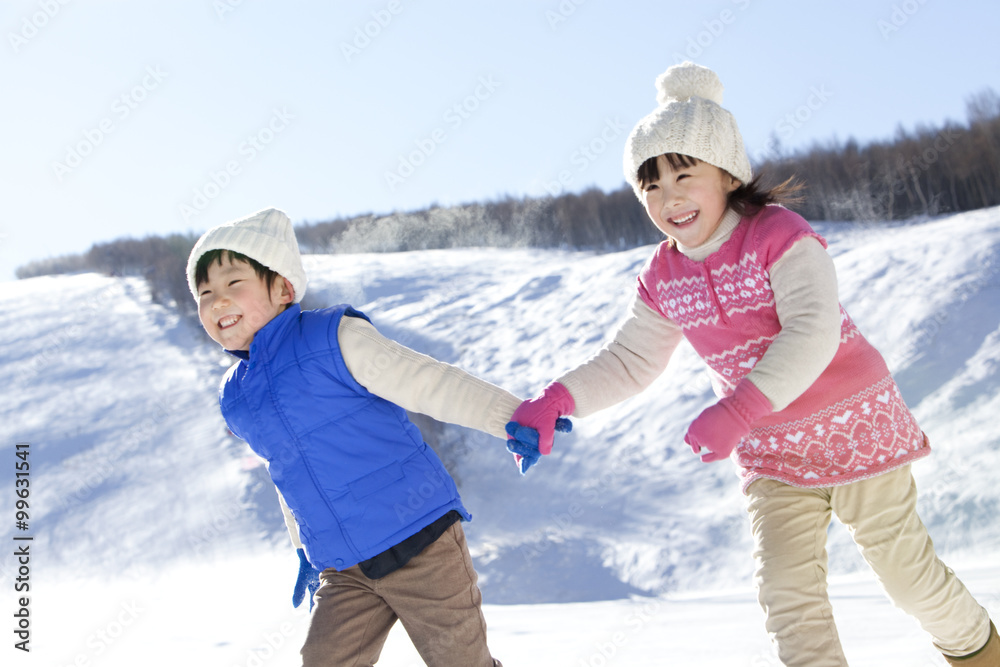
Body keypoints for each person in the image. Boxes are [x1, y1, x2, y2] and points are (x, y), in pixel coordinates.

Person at [507, 62, 998, 666]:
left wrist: (739, 408)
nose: (670, 198)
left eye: (685, 175)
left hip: (854, 427)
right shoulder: (664, 276)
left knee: (907, 576)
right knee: (787, 596)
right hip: (772, 456)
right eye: (651, 187)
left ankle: (979, 652)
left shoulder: (778, 235)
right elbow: (631, 358)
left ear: (726, 172)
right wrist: (559, 398)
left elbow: (813, 331)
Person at [186, 208, 514, 667]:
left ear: (282, 288)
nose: (217, 302)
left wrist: (512, 417)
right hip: (344, 570)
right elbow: (286, 471)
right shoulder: (237, 395)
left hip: (420, 538)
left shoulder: (332, 338)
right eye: (204, 294)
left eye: (233, 284)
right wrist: (303, 546)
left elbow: (428, 383)